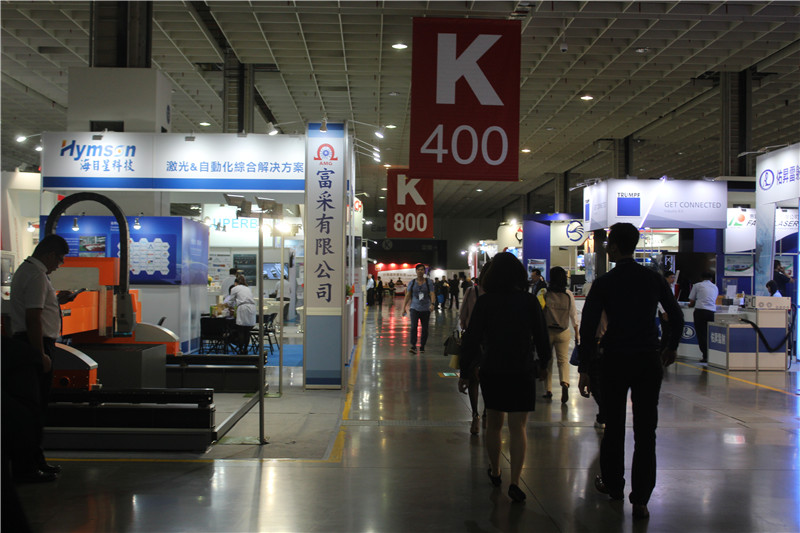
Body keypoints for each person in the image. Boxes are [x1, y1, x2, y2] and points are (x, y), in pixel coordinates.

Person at [577, 223, 683, 520]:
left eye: (608, 244)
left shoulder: (604, 283)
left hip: (614, 359)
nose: (607, 249)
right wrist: (671, 346)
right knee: (646, 430)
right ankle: (641, 500)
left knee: (614, 426)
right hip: (648, 359)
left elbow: (588, 328)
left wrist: (585, 368)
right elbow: (675, 315)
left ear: (614, 246)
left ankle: (614, 486)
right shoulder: (653, 279)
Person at [459, 252, 551, 503]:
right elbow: (542, 336)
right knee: (518, 427)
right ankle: (515, 481)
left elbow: (471, 339)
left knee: (494, 424)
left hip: (493, 368)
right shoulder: (529, 302)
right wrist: (544, 364)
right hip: (522, 368)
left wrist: (465, 371)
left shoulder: (486, 302)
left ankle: (496, 470)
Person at [9, 234, 72, 482]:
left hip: (31, 343)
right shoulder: (36, 275)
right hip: (34, 344)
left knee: (33, 408)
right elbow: (33, 318)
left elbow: (37, 309)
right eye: (59, 259)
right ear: (49, 254)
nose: (59, 264)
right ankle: (26, 468)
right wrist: (40, 354)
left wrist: (56, 301)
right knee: (32, 409)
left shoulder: (29, 272)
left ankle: (35, 461)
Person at [459, 261, 491, 434]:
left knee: (474, 379)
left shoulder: (472, 292)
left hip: (474, 340)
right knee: (489, 380)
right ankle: (486, 413)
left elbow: (463, 315)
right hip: (491, 342)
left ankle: (475, 416)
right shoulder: (501, 296)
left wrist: (466, 327)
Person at [542, 266, 579, 403]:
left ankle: (548, 390)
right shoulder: (568, 294)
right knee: (563, 360)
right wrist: (577, 332)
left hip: (548, 331)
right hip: (563, 331)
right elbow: (573, 314)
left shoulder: (545, 293)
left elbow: (540, 312)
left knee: (548, 360)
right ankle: (565, 382)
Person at [402, 264, 435, 354]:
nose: (420, 271)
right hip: (414, 308)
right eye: (418, 270)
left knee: (425, 328)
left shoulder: (428, 282)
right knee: (413, 327)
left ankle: (422, 346)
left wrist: (432, 304)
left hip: (426, 308)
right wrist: (404, 307)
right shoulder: (412, 282)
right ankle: (413, 346)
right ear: (416, 271)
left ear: (424, 271)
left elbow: (432, 293)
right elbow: (408, 295)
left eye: (422, 270)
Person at [688, 271, 718, 364]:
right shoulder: (715, 287)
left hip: (700, 312)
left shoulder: (697, 285)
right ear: (711, 279)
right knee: (710, 334)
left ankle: (705, 356)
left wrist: (690, 305)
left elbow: (692, 301)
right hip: (712, 312)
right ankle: (713, 355)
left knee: (701, 334)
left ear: (701, 278)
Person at [224, 275, 257, 354]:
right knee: (247, 331)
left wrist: (226, 306)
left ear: (236, 283)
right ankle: (245, 349)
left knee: (241, 330)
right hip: (252, 308)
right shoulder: (247, 288)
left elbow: (230, 301)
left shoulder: (235, 288)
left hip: (243, 308)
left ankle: (241, 349)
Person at [658, 271, 677, 353]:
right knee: (666, 332)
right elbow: (659, 301)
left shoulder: (672, 287)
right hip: (664, 312)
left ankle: (667, 350)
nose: (673, 279)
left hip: (670, 311)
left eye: (674, 277)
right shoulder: (661, 287)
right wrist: (663, 312)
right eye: (671, 277)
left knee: (670, 332)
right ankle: (661, 350)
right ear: (666, 278)